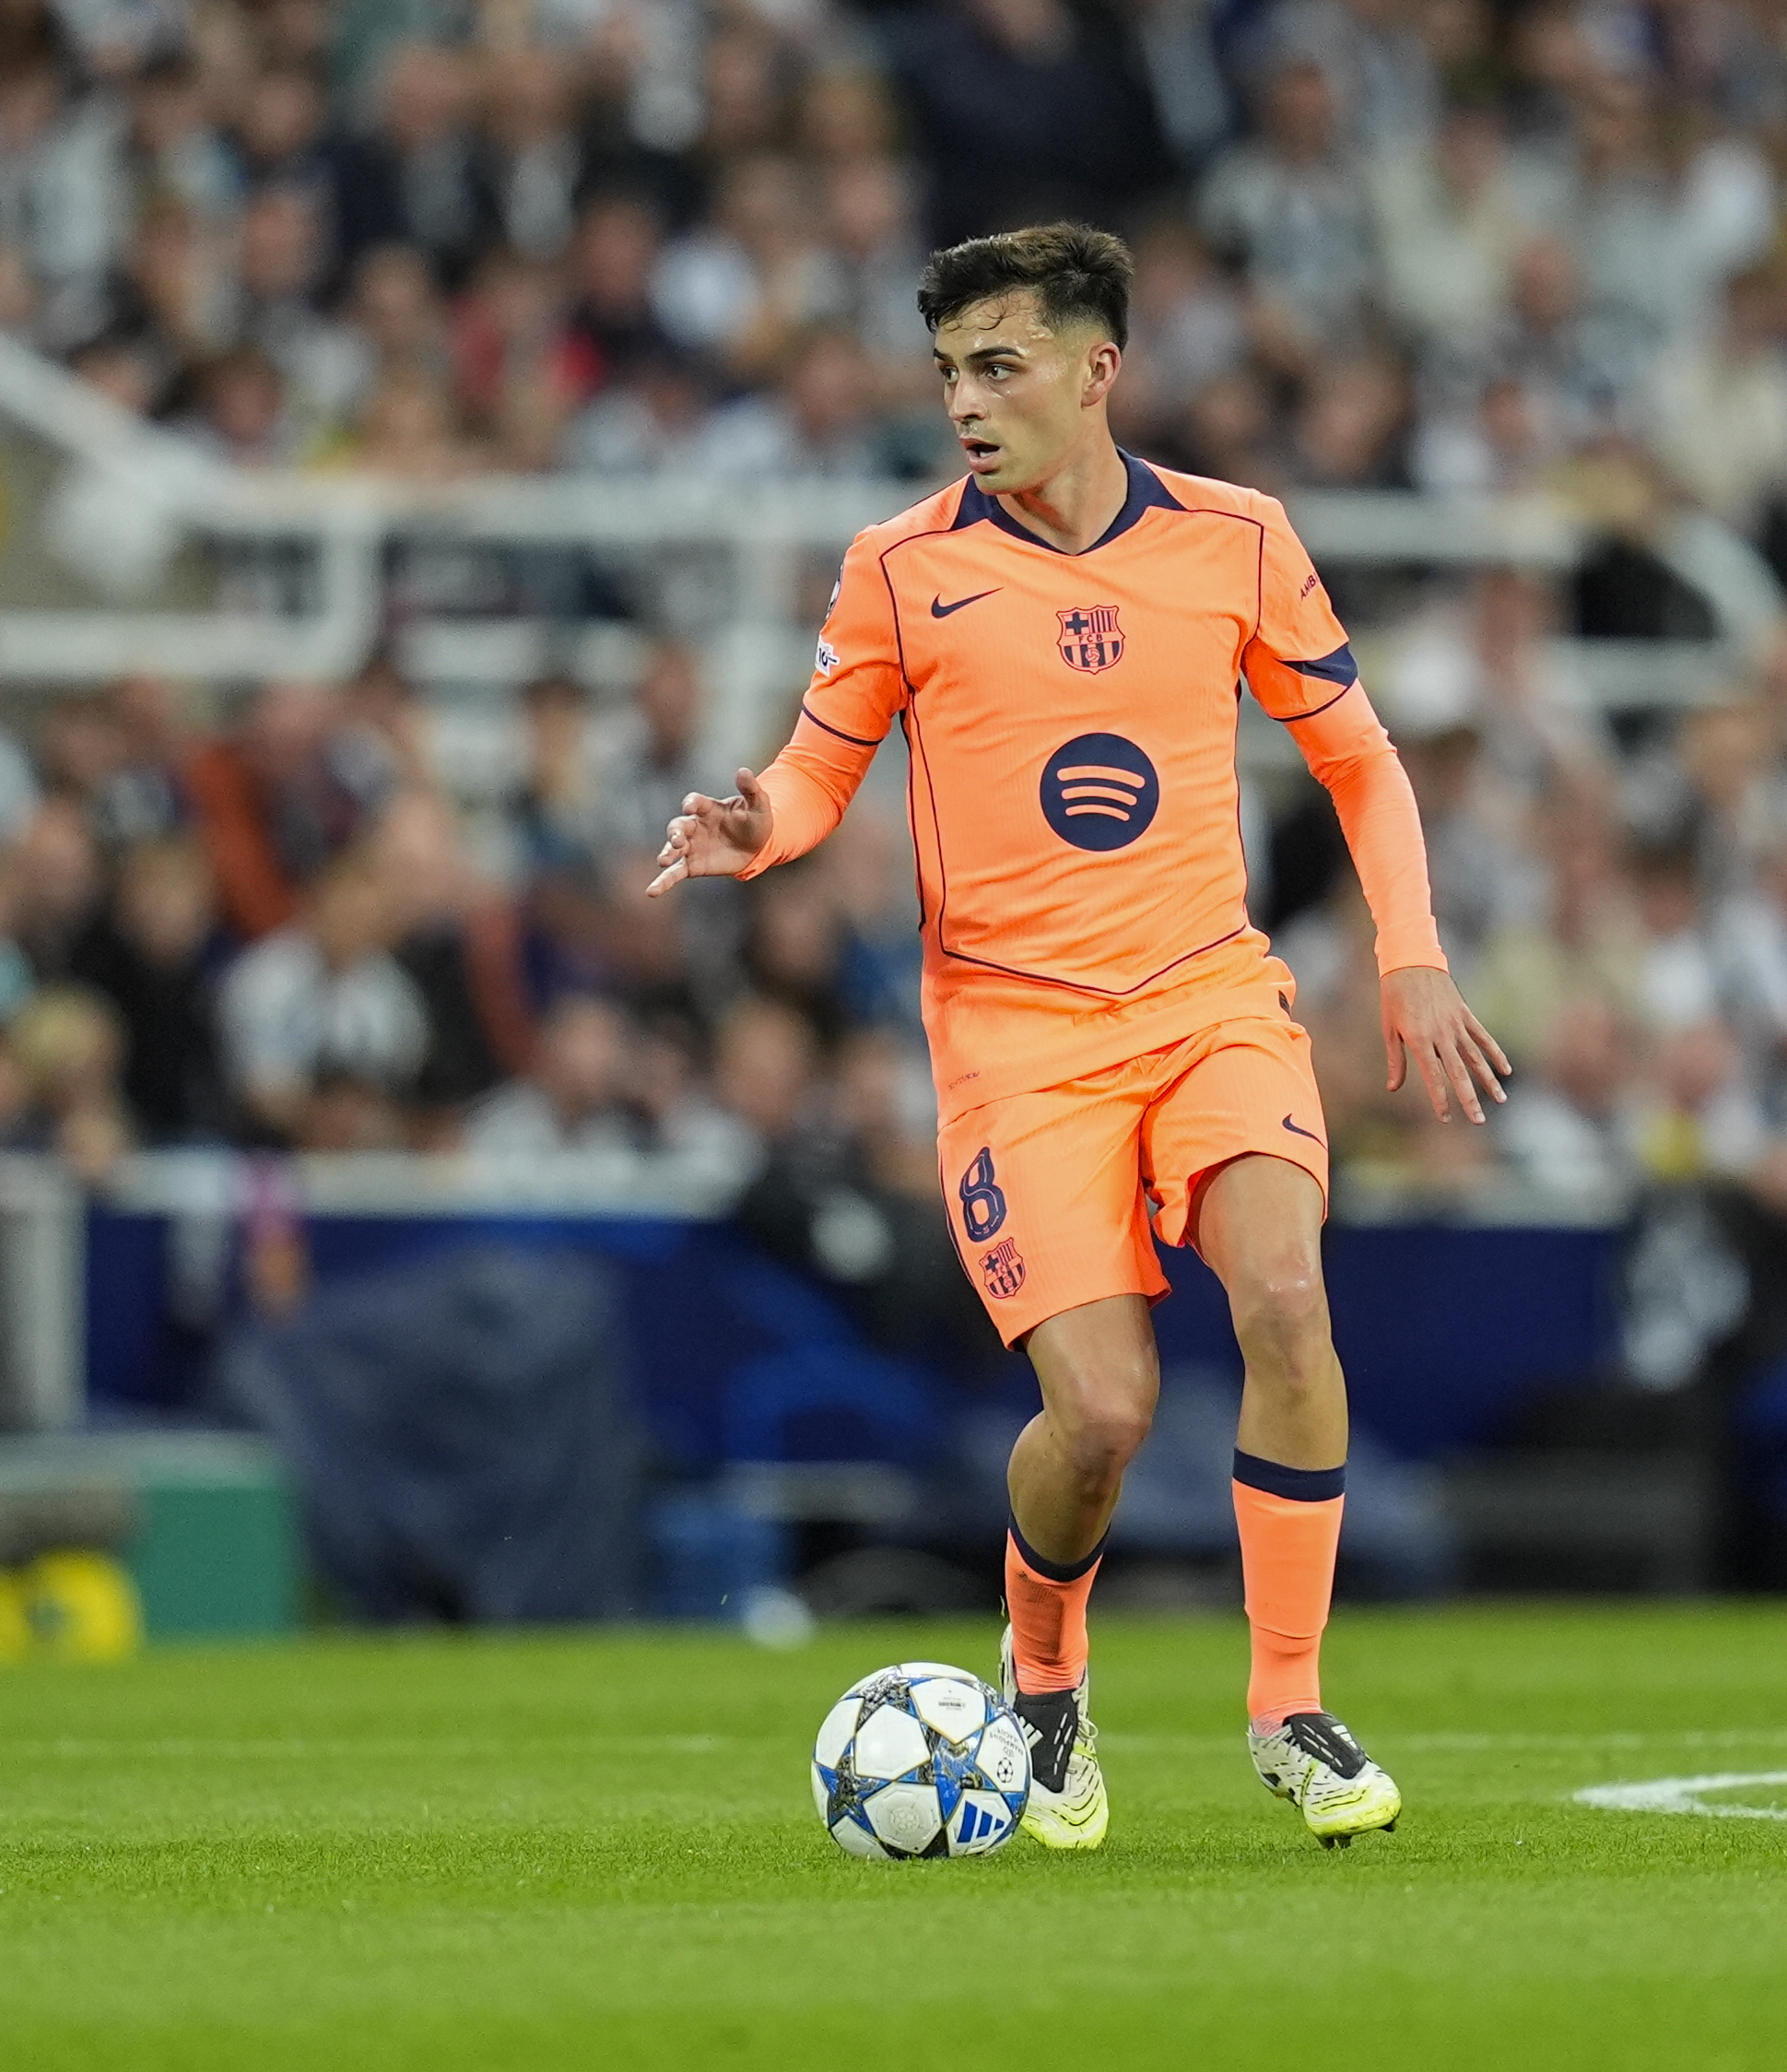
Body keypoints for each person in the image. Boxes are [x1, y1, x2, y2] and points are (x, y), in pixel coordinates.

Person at [651, 226, 1504, 1851]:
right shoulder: (900, 566)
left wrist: (1411, 958)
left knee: (1285, 1298)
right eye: (948, 374)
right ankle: (1043, 1676)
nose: (965, 404)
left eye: (1000, 366)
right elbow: (818, 768)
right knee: (1102, 1414)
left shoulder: (1238, 539)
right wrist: (758, 828)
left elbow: (1362, 758)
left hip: (1206, 1001)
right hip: (1017, 1041)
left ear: (1096, 369)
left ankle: (1289, 1704)